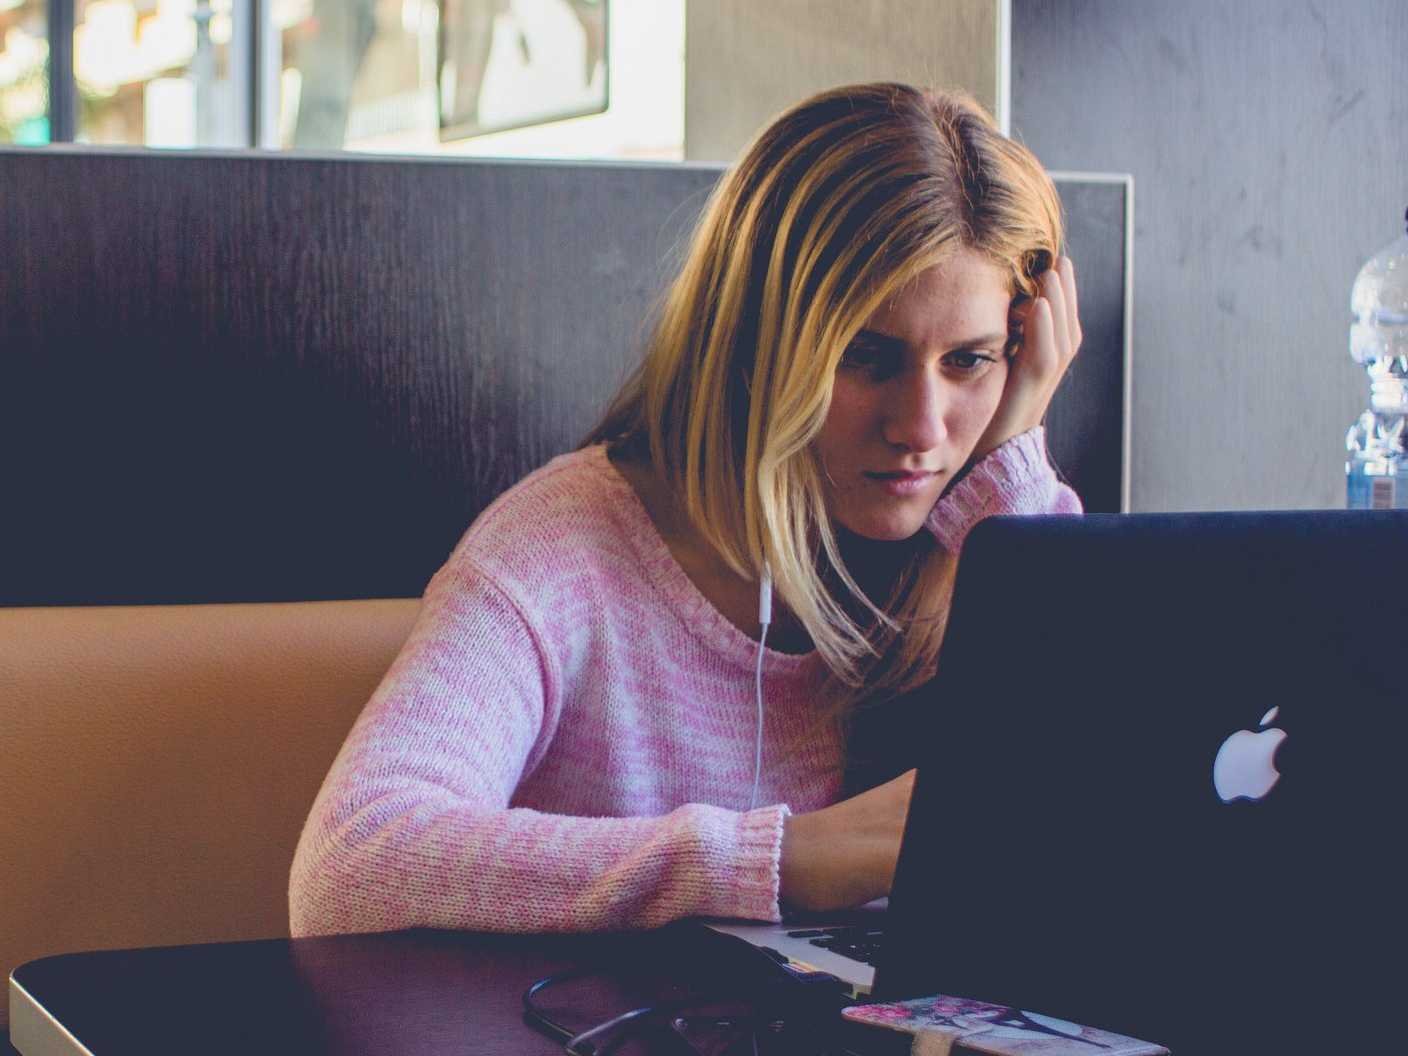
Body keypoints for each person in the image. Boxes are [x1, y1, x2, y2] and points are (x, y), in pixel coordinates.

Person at [288, 82, 1082, 938]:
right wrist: (782, 861)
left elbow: (1112, 819)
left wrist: (1010, 472)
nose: (921, 429)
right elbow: (350, 865)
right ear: (753, 345)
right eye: (864, 357)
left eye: (969, 362)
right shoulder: (563, 548)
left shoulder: (994, 531)